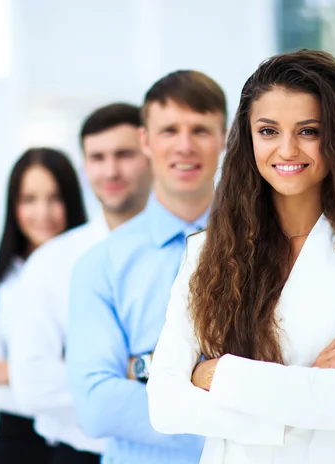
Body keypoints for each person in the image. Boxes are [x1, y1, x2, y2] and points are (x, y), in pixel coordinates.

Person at [147, 49, 335, 464]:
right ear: (248, 138)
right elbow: (163, 405)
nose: (286, 149)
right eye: (268, 131)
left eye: (308, 131)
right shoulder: (207, 251)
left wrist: (214, 374)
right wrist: (302, 389)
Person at [66, 70, 227, 464]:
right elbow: (97, 405)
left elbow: (291, 371)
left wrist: (146, 371)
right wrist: (235, 418)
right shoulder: (100, 264)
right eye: (170, 130)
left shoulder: (268, 248)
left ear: (225, 138)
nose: (185, 146)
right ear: (146, 140)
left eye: (201, 130)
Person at [9, 103, 152, 464]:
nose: (110, 170)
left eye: (124, 155)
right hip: (79, 455)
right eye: (97, 157)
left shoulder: (192, 247)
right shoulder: (50, 262)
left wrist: (86, 369)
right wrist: (144, 369)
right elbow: (32, 383)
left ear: (150, 153)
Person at [0, 148, 86, 464]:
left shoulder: (94, 271)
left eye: (55, 198)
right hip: (15, 444)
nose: (42, 212)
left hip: (82, 442)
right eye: (29, 199)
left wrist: (13, 372)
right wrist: (68, 372)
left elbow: (109, 379)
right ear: (13, 206)